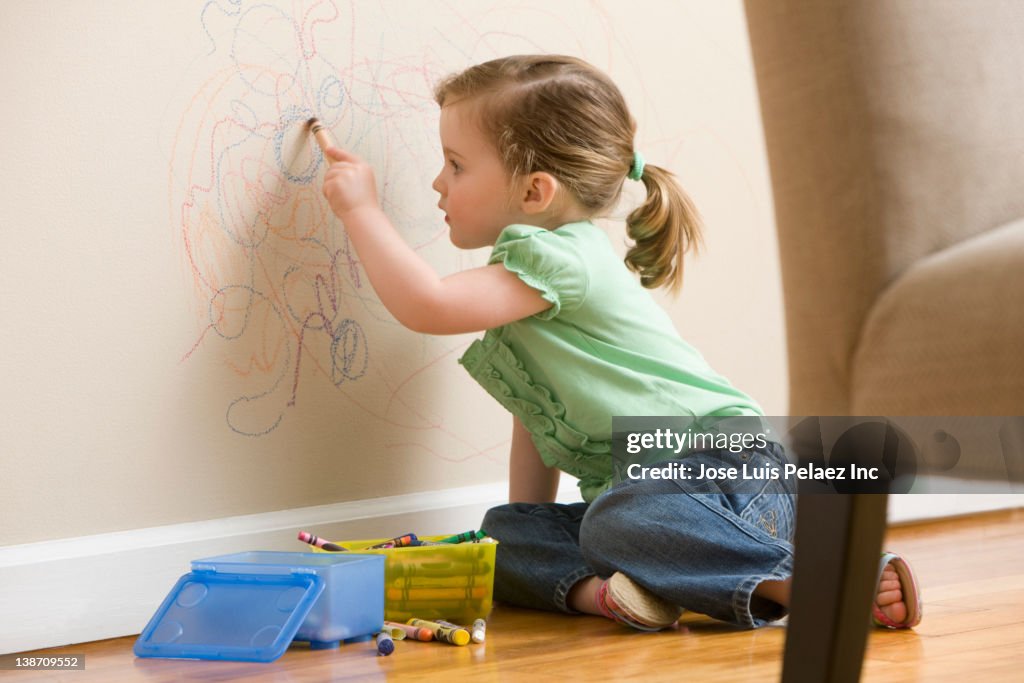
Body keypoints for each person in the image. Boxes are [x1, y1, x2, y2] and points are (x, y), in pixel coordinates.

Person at [320, 54, 921, 631]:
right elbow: (539, 420)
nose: (437, 182)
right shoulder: (529, 286)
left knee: (616, 520)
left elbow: (427, 306)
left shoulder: (556, 256)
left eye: (455, 165)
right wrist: (530, 520)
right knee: (501, 533)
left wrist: (361, 211)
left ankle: (817, 581)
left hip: (727, 472)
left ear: (534, 193)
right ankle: (611, 596)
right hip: (668, 506)